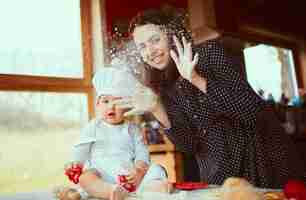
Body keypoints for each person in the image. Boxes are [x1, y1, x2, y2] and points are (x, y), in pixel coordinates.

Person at [114, 9, 306, 188]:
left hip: (262, 163)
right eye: (142, 46)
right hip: (219, 177)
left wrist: (195, 79)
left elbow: (251, 111)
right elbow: (189, 145)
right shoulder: (163, 86)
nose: (150, 51)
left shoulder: (208, 53)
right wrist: (158, 109)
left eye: (155, 40)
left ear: (172, 36)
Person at [54, 64, 169, 200]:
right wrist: (75, 164)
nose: (111, 106)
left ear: (126, 107)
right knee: (86, 178)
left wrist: (138, 171)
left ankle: (152, 188)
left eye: (117, 102)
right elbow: (81, 148)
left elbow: (142, 153)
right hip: (101, 173)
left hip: (127, 175)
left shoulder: (132, 129)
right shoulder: (94, 126)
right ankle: (110, 191)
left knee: (157, 169)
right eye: (106, 101)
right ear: (98, 104)